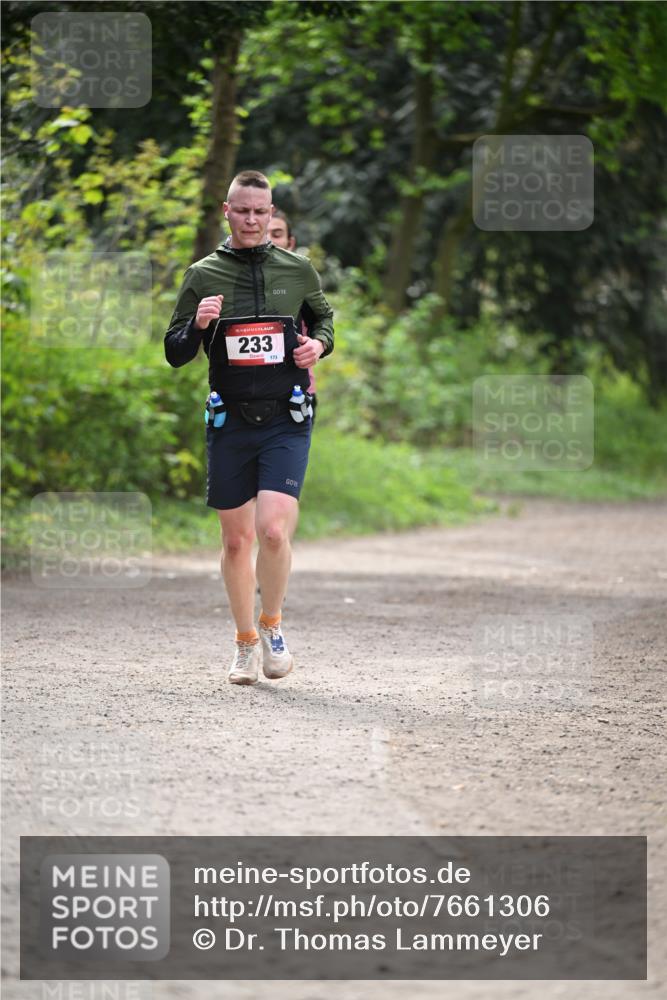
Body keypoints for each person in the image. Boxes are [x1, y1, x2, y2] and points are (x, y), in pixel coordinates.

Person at [164, 170, 334, 686]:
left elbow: (324, 322)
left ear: (271, 212)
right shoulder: (203, 273)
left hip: (287, 415)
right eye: (243, 211)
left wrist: (318, 347)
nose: (253, 220)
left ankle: (272, 625)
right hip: (230, 419)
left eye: (262, 212)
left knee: (274, 530)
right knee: (237, 543)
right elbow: (174, 353)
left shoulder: (298, 270)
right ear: (227, 211)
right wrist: (196, 324)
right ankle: (244, 643)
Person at [267, 209, 318, 418]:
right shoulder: (233, 281)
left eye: (277, 234)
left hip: (297, 394)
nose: (269, 240)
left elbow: (322, 324)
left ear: (291, 242)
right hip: (243, 394)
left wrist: (318, 344)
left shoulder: (303, 281)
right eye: (264, 233)